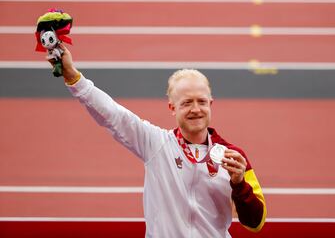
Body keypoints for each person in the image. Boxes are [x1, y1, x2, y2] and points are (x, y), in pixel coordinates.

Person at [50, 44, 266, 237]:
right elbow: (113, 115)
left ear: (211, 103)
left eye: (201, 101)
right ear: (172, 107)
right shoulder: (156, 143)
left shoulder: (233, 156)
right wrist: (72, 76)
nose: (195, 109)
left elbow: (256, 224)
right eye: (186, 103)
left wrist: (239, 184)